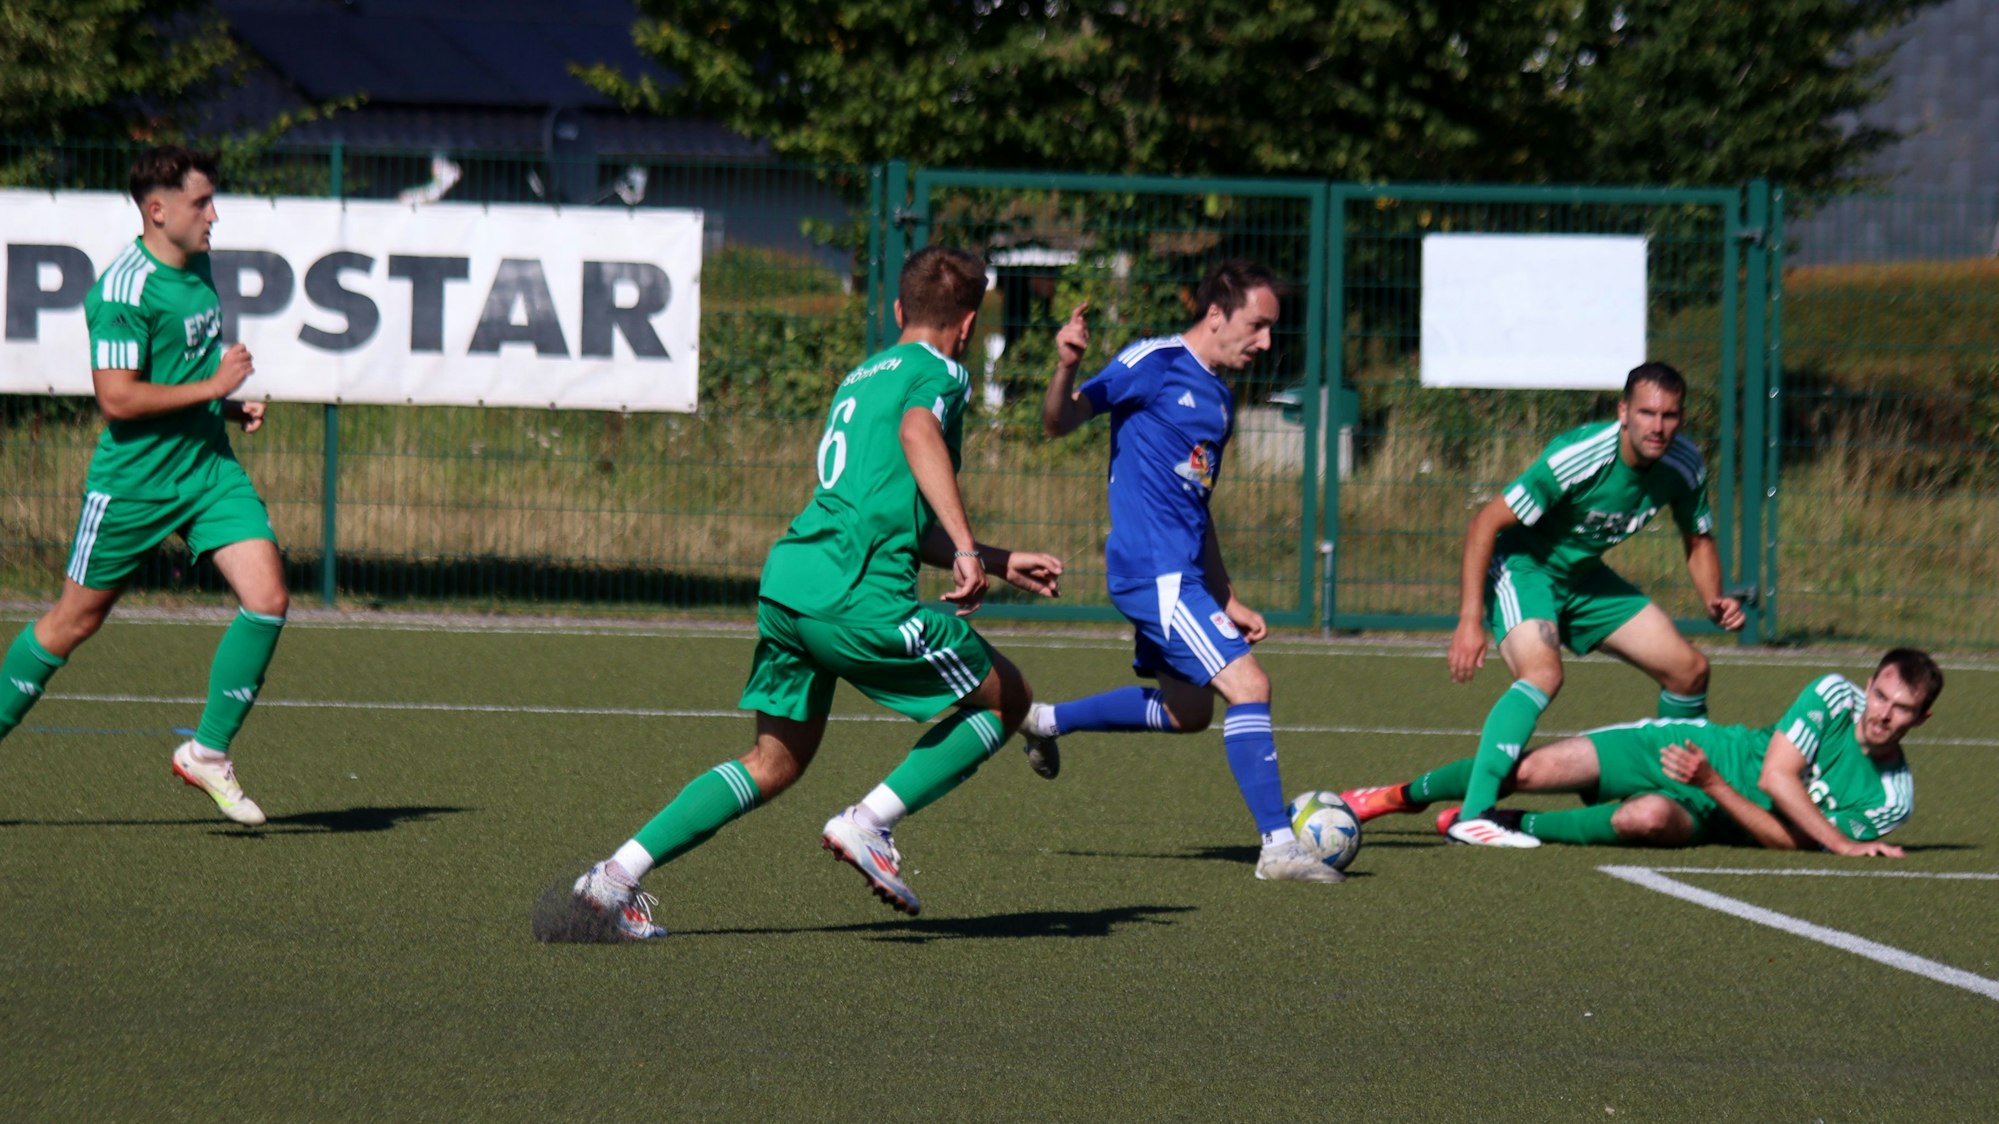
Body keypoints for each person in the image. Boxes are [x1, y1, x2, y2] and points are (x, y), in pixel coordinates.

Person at [558, 246, 1064, 941]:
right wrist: (971, 550)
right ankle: (868, 824)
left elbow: (885, 511)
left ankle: (610, 880)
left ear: (896, 311)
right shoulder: (941, 373)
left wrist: (995, 559)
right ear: (969, 325)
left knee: (774, 761)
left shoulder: (862, 375)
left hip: (792, 584)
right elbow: (920, 436)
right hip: (856, 596)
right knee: (1007, 698)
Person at [1016, 261, 1340, 884]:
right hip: (1154, 574)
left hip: (1183, 575)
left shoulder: (1220, 396)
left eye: (1272, 329)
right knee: (1251, 688)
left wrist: (1229, 595)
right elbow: (1058, 423)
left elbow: (1197, 506)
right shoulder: (1154, 362)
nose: (1266, 342)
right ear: (1216, 315)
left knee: (1187, 712)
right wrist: (1065, 366)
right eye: (1257, 325)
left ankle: (1045, 720)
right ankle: (1277, 847)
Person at [0, 145, 286, 826]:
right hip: (134, 485)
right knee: (73, 622)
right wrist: (214, 385)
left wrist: (220, 406)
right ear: (158, 211)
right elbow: (119, 401)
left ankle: (207, 753)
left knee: (268, 595)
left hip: (206, 469)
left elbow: (179, 372)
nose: (213, 215)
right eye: (200, 202)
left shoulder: (199, 263)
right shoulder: (122, 289)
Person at [1422, 362, 1747, 847]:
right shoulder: (1580, 456)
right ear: (1623, 413)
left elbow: (1698, 538)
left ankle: (1676, 787)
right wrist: (1471, 621)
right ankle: (1475, 815)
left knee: (1689, 670)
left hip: (1584, 577)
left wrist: (1713, 597)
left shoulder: (1685, 464)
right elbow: (1485, 524)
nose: (1658, 426)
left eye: (1670, 415)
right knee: (1543, 674)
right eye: (1646, 413)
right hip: (1524, 566)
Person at [1342, 648, 1939, 856]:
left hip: (1711, 809)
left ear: (1922, 718)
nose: (1882, 714)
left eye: (1902, 709)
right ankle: (1399, 797)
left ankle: (1505, 824)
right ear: (1869, 684)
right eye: (1880, 695)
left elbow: (1790, 841)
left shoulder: (1894, 798)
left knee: (1645, 819)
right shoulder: (1834, 694)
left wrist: (1712, 789)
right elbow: (1781, 778)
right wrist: (1841, 844)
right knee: (1525, 768)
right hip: (1678, 748)